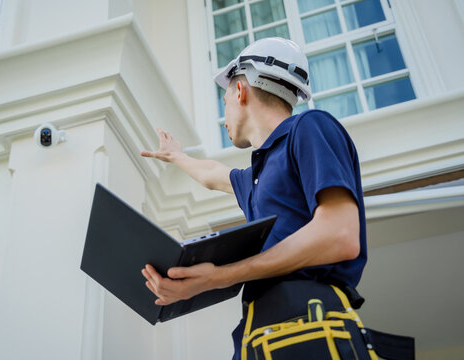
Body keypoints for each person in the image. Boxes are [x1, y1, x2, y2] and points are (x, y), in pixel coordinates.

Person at [140, 38, 411, 359]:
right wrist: (177, 157)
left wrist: (218, 277)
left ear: (240, 90)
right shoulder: (257, 175)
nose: (223, 116)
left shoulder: (309, 127)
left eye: (223, 100)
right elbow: (212, 174)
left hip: (309, 325)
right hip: (261, 332)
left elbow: (340, 235)